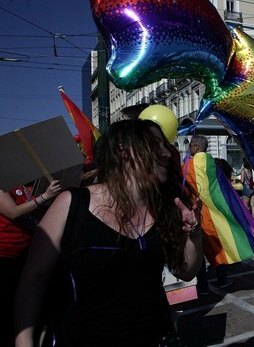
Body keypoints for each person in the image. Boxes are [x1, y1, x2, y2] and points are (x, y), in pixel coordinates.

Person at [14, 119, 203, 347]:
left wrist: (193, 232)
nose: (166, 153)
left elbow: (185, 270)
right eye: (155, 144)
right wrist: (24, 340)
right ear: (124, 150)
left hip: (158, 338)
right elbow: (34, 277)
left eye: (165, 145)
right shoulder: (72, 204)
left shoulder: (165, 207)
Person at [0, 180, 61, 347]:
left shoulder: (22, 188)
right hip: (5, 254)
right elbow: (12, 212)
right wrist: (44, 196)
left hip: (22, 252)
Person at [185, 135, 233, 295]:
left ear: (197, 148)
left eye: (191, 145)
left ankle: (203, 286)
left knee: (198, 249)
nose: (188, 148)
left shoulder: (188, 166)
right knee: (217, 247)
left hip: (197, 213)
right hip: (215, 213)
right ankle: (223, 279)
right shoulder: (213, 164)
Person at [240, 158, 254, 222]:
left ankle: (247, 220)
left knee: (245, 205)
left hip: (246, 188)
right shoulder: (252, 170)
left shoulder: (243, 170)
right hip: (253, 188)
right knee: (253, 205)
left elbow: (242, 180)